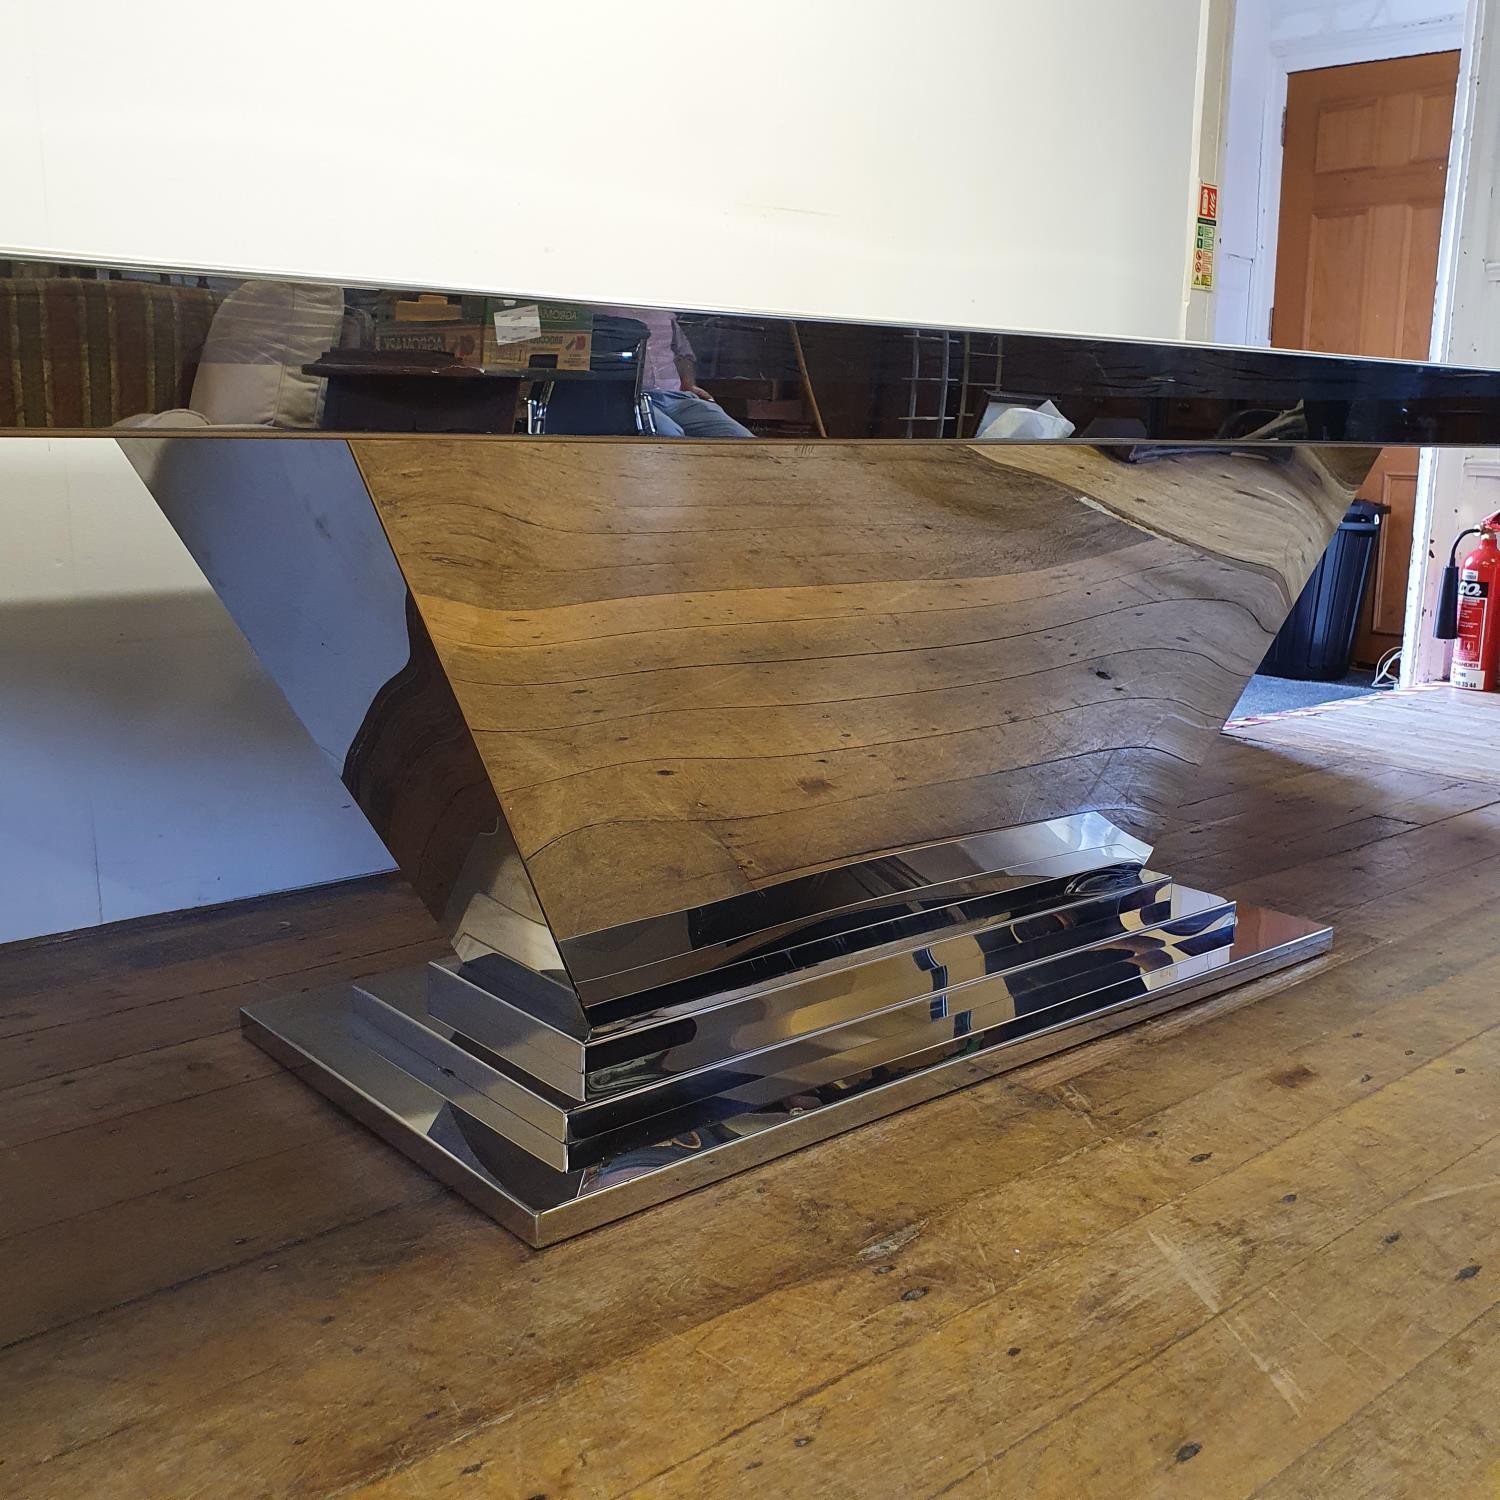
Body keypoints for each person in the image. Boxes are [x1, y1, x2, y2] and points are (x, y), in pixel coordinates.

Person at [600, 305, 753, 437]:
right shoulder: (599, 307)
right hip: (630, 398)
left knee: (740, 438)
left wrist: (689, 385)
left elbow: (682, 352)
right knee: (670, 438)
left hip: (676, 397)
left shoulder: (663, 310)